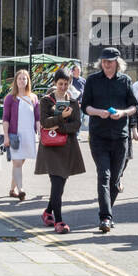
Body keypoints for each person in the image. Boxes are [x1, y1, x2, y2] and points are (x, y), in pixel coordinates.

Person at [81, 47, 138, 234]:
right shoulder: (92, 80)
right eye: (104, 61)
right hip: (98, 136)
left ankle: (108, 212)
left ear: (117, 63)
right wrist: (98, 112)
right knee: (103, 176)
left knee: (115, 180)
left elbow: (134, 107)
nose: (107, 64)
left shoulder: (126, 81)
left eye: (110, 61)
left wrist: (122, 113)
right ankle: (105, 217)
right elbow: (85, 106)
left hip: (120, 137)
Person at [35, 67, 84, 234]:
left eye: (66, 84)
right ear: (55, 83)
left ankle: (48, 212)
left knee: (60, 186)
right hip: (50, 148)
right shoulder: (46, 101)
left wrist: (59, 125)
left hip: (67, 147)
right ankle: (59, 221)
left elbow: (77, 124)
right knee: (56, 184)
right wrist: (61, 118)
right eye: (61, 83)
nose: (63, 87)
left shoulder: (73, 101)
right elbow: (44, 122)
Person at [2, 69, 40, 202]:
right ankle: (21, 190)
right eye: (19, 79)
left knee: (19, 164)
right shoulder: (10, 98)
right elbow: (5, 119)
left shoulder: (34, 98)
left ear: (28, 81)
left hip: (29, 135)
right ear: (16, 81)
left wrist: (40, 134)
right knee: (17, 162)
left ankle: (12, 190)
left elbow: (37, 118)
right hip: (14, 136)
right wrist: (6, 136)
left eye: (24, 79)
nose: (22, 81)